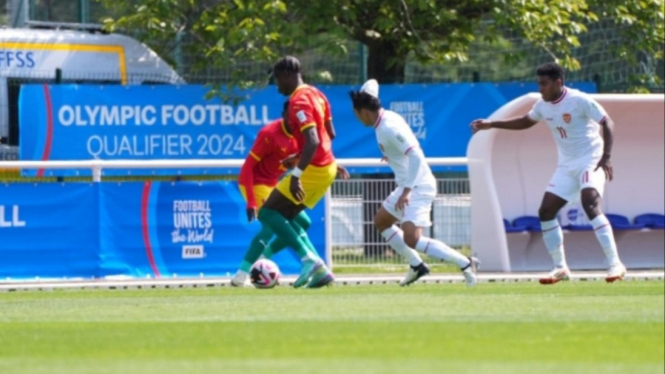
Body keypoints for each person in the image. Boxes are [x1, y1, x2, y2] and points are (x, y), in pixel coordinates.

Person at [470, 61, 626, 284]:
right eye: (539, 83)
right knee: (545, 211)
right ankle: (560, 268)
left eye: (544, 84)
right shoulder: (543, 105)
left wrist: (607, 156)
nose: (540, 88)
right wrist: (492, 124)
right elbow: (525, 121)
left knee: (590, 204)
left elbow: (607, 122)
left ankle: (615, 264)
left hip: (590, 160)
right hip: (566, 165)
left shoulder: (579, 100)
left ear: (558, 83)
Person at [349, 79, 479, 287]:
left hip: (418, 186)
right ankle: (417, 266)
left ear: (363, 110)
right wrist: (391, 156)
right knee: (381, 221)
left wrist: (406, 191)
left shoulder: (388, 126)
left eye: (356, 113)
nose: (356, 118)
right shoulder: (384, 120)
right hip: (408, 185)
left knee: (413, 239)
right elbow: (403, 149)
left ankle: (465, 263)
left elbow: (416, 155)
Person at [258, 56, 349, 288]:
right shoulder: (317, 94)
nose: (277, 86)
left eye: (278, 80)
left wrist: (297, 173)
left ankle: (310, 261)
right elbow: (331, 133)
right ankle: (321, 272)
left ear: (287, 75)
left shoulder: (298, 102)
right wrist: (301, 157)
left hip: (313, 169)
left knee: (267, 214)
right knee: (285, 216)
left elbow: (313, 140)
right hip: (326, 166)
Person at [231, 101, 321, 286]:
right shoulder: (269, 134)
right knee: (272, 224)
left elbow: (313, 154)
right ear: (284, 114)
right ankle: (241, 275)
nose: (295, 120)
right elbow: (248, 167)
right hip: (255, 184)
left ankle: (265, 255)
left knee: (304, 222)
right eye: (291, 116)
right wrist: (251, 202)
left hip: (275, 184)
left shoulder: (300, 134)